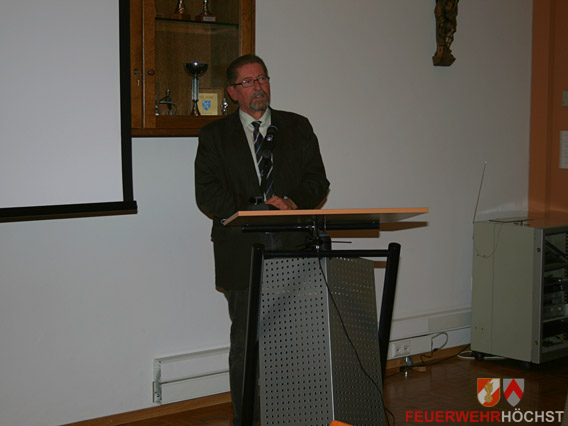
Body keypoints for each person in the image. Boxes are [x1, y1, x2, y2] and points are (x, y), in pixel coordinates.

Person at [194, 54, 329, 425]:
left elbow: (318, 179)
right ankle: (247, 419)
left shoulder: (297, 126)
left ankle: (294, 415)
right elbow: (207, 193)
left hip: (294, 246)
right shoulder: (214, 136)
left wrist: (293, 202)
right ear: (232, 92)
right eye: (248, 82)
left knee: (294, 342)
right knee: (247, 342)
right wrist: (254, 209)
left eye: (263, 79)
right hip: (241, 249)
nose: (258, 87)